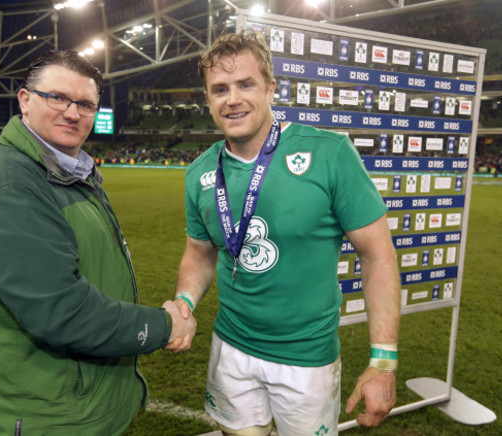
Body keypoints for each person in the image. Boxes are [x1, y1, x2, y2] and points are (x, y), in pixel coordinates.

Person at [0, 49, 196, 436]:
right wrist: (164, 325)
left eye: (85, 104)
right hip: (43, 415)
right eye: (58, 97)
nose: (72, 112)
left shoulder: (70, 172)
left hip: (77, 403)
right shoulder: (10, 186)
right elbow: (63, 311)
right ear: (25, 100)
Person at [169, 31, 401, 435]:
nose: (232, 99)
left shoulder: (329, 154)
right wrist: (184, 301)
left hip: (306, 358)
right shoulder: (200, 174)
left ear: (271, 88)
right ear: (207, 99)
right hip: (231, 348)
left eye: (246, 84)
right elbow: (199, 253)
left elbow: (377, 254)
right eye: (219, 89)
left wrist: (383, 360)